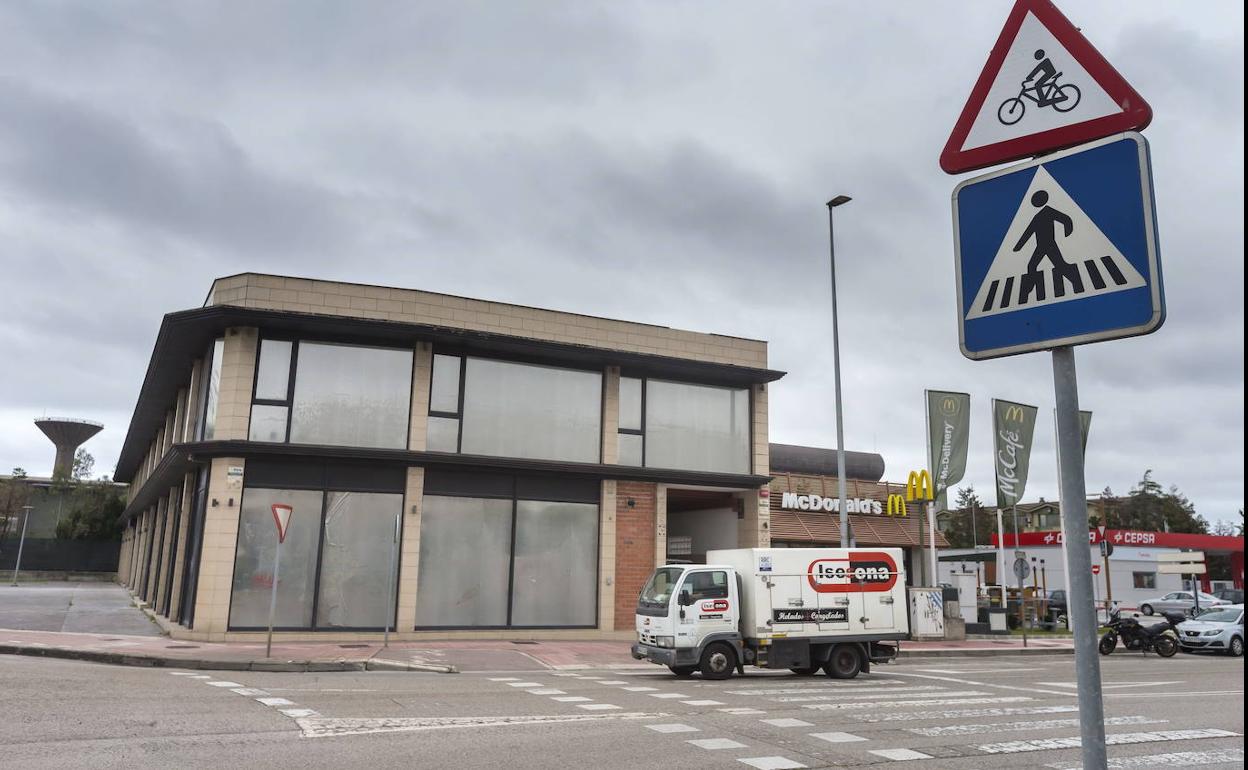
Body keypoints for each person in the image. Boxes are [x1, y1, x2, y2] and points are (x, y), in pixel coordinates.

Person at [1014, 190, 1083, 301]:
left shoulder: (1048, 211)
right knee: (1031, 266)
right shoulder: (1036, 216)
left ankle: (1076, 281)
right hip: (1040, 246)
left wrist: (1067, 231)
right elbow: (1028, 232)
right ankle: (1031, 287)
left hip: (1050, 245)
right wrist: (1018, 247)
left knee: (1060, 266)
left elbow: (1065, 219)